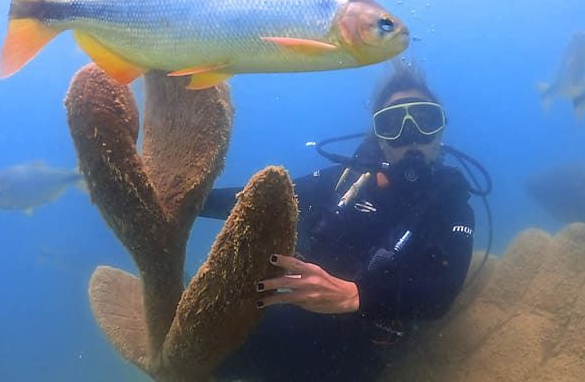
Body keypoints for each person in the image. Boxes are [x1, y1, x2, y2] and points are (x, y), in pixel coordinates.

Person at [200, 62, 475, 381]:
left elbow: (441, 294)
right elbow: (261, 201)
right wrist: (191, 202)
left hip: (357, 347)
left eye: (425, 120)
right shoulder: (345, 181)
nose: (410, 136)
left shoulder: (451, 206)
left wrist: (357, 294)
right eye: (392, 124)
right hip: (288, 320)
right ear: (380, 138)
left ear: (440, 131)